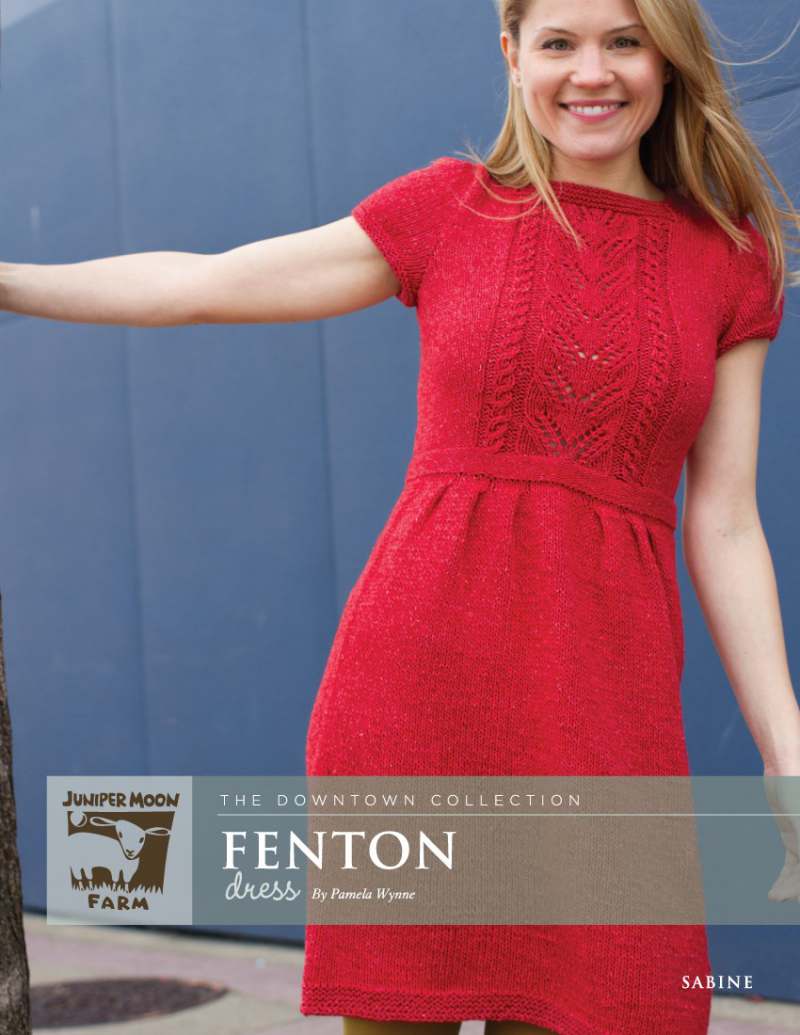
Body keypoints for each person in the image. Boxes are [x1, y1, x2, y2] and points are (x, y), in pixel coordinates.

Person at [1, 0, 798, 1032]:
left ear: (668, 57)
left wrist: (784, 746)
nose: (591, 73)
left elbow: (724, 522)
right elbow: (201, 284)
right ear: (512, 55)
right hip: (417, 699)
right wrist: (7, 282)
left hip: (607, 720)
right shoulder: (448, 209)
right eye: (558, 43)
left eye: (623, 41)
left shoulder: (730, 260)